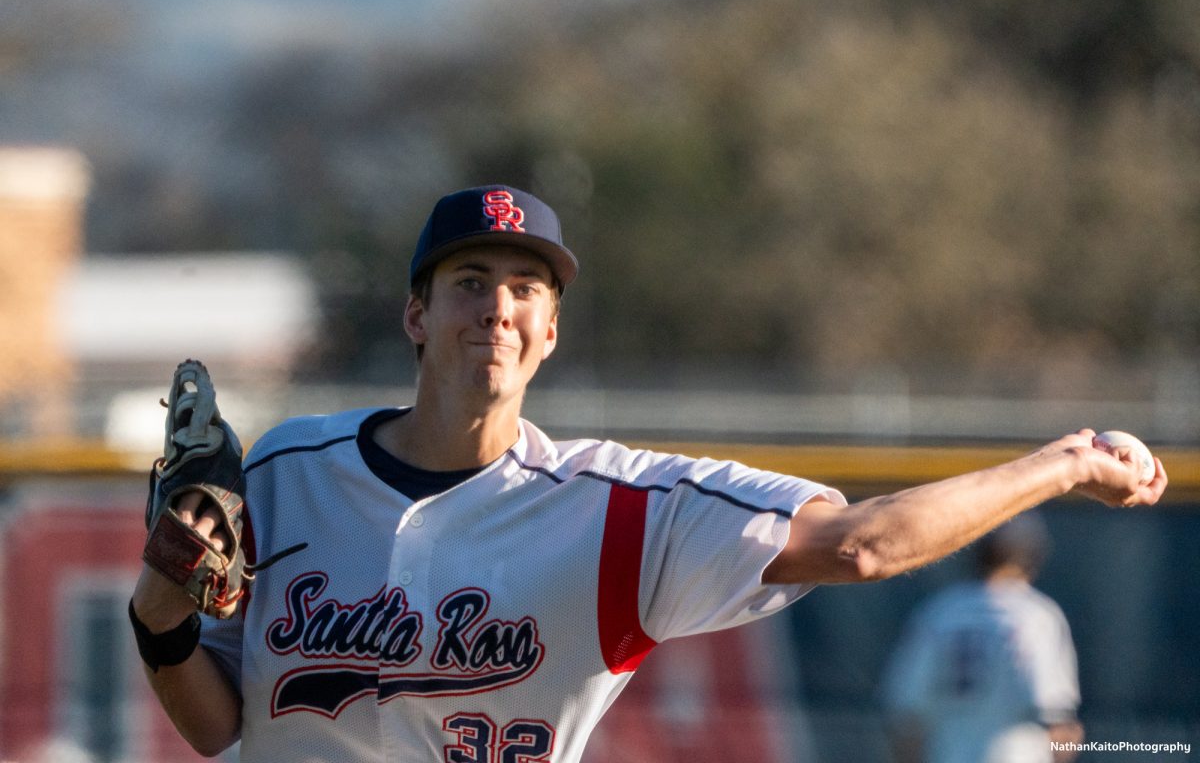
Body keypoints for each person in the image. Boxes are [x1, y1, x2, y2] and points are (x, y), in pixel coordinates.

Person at [128, 184, 1166, 762]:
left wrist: (1063, 460)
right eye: (469, 281)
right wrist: (159, 610)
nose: (498, 304)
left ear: (550, 331)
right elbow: (219, 723)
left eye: (527, 286)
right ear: (417, 314)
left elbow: (866, 541)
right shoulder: (286, 470)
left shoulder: (623, 510)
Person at [881, 512, 1084, 763]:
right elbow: (1055, 716)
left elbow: (907, 717)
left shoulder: (940, 612)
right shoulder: (1037, 615)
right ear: (1031, 556)